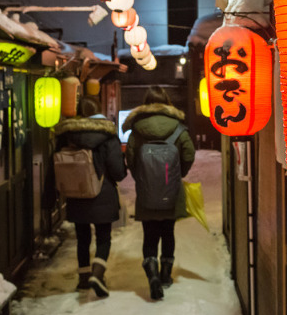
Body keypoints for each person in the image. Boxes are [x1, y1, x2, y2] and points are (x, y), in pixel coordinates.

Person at [124, 86, 195, 300]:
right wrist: (176, 174)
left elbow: (130, 158)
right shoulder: (177, 128)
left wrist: (142, 177)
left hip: (147, 192)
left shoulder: (137, 129)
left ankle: (152, 274)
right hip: (171, 190)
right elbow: (189, 153)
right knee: (168, 232)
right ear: (166, 102)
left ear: (146, 104)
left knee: (150, 235)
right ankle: (165, 274)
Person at [55, 96, 126, 298]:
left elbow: (54, 169)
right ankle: (98, 273)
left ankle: (84, 278)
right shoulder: (108, 136)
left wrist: (49, 196)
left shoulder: (66, 135)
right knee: (103, 237)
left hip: (76, 193)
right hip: (102, 193)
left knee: (82, 238)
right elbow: (117, 171)